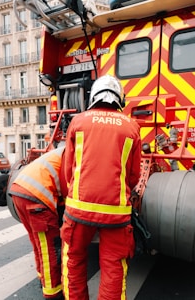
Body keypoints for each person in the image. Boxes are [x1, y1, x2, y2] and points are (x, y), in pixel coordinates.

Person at [61, 75, 141, 300]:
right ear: (119, 99)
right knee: (114, 266)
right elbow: (134, 176)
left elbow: (69, 169)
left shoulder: (78, 122)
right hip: (116, 214)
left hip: (78, 210)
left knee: (74, 260)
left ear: (93, 96)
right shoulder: (131, 127)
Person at [9, 147, 67, 300]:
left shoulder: (60, 152)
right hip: (37, 199)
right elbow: (69, 189)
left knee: (38, 242)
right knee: (51, 248)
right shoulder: (72, 156)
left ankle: (42, 276)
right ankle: (53, 292)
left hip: (18, 191)